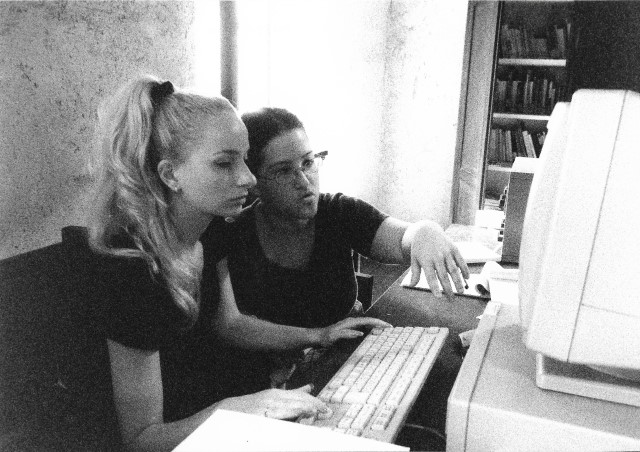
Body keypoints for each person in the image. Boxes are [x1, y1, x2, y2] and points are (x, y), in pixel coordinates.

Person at [85, 76, 390, 451]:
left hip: (235, 414)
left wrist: (320, 335)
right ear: (170, 174)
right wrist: (242, 409)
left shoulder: (211, 226)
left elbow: (230, 323)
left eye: (244, 159)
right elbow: (141, 439)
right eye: (224, 163)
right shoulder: (131, 268)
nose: (247, 178)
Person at [217, 107, 470, 385]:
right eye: (283, 171)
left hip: (341, 359)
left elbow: (403, 238)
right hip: (266, 379)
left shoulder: (338, 212)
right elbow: (231, 327)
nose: (304, 181)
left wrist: (425, 231)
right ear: (254, 183)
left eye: (308, 162)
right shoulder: (232, 235)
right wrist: (317, 336)